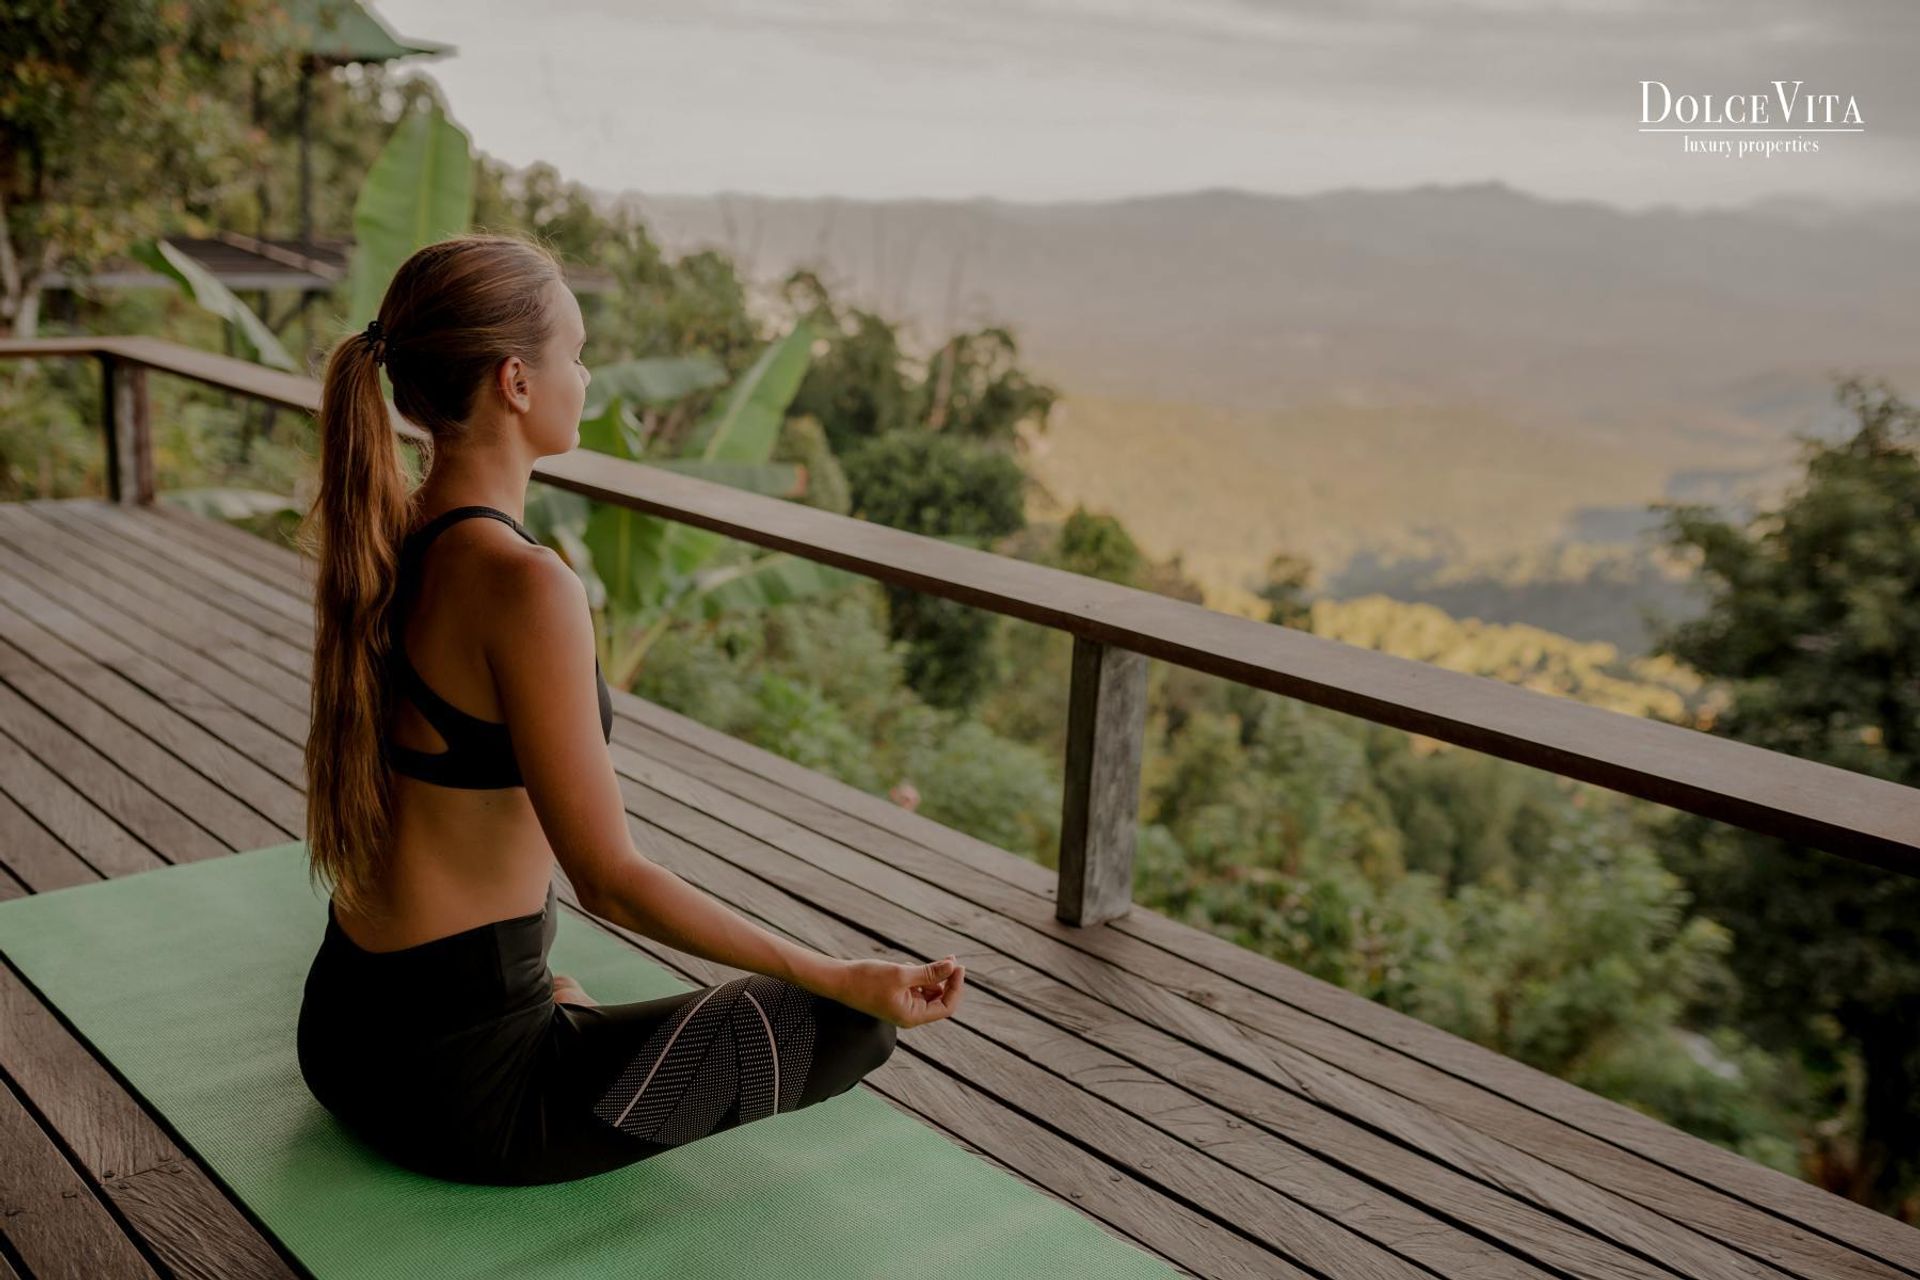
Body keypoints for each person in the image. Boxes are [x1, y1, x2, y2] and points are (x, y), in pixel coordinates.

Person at [294, 231, 965, 1187]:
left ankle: (555, 1018)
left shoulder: (388, 535)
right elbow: (608, 880)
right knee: (854, 1025)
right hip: (461, 1094)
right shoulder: (527, 587)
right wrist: (832, 971)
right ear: (517, 383)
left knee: (607, 1004)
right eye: (574, 353)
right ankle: (562, 1034)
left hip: (346, 1034)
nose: (588, 373)